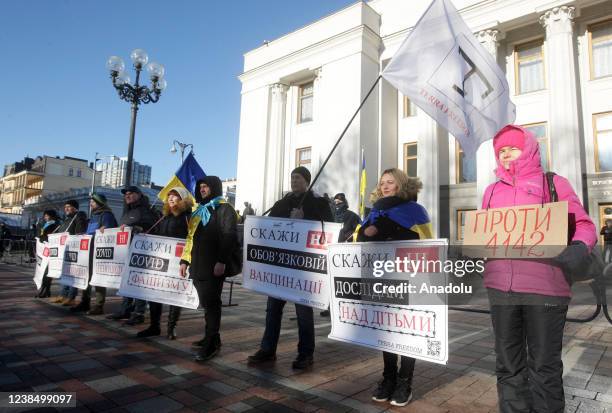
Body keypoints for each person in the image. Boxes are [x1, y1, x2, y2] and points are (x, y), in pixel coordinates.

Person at [482, 125, 596, 413]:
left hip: (545, 288)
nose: (507, 154)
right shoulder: (491, 190)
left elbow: (584, 225)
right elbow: (485, 233)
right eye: (502, 150)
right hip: (500, 290)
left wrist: (580, 247)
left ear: (529, 148)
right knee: (507, 366)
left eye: (513, 148)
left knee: (544, 367)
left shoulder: (553, 183)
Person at [358, 168, 433, 407]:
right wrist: (368, 231)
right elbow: (360, 240)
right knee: (388, 329)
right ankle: (388, 377)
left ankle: (404, 381)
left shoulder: (415, 209)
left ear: (400, 184)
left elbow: (426, 241)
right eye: (382, 183)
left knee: (407, 329)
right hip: (381, 277)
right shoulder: (375, 211)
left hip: (410, 277)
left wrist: (388, 228)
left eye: (390, 182)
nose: (385, 186)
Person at [248, 166, 334, 369]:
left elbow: (329, 228)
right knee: (272, 310)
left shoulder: (319, 202)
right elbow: (269, 226)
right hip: (280, 266)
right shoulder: (282, 202)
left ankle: (305, 353)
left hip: (303, 267)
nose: (294, 181)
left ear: (307, 181)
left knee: (304, 313)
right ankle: (267, 350)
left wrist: (305, 220)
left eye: (298, 178)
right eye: (292, 177)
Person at [179, 176, 239, 361]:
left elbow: (229, 236)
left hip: (214, 265)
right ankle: (212, 336)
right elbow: (190, 238)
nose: (203, 189)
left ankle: (211, 343)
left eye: (206, 186)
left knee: (212, 303)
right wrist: (184, 261)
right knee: (205, 302)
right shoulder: (198, 211)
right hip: (198, 264)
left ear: (215, 188)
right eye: (201, 186)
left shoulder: (224, 208)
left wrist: (221, 261)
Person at [138, 187, 193, 339]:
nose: (170, 198)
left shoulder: (188, 217)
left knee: (175, 294)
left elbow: (192, 238)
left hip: (178, 262)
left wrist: (186, 259)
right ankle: (154, 326)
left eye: (174, 196)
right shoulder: (164, 217)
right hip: (161, 261)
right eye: (169, 196)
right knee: (156, 293)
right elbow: (157, 234)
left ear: (182, 200)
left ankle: (171, 327)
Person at [107, 186, 157, 325]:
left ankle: (139, 313)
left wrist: (139, 229)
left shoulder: (146, 210)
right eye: (126, 194)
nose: (127, 196)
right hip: (126, 252)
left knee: (139, 283)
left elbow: (154, 228)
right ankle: (125, 309)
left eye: (131, 193)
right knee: (127, 281)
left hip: (141, 253)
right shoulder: (127, 211)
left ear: (139, 195)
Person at [70, 193, 118, 315]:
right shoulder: (93, 216)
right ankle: (84, 302)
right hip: (88, 252)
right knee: (86, 277)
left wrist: (105, 230)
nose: (90, 204)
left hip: (98, 253)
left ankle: (98, 305)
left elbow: (111, 232)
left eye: (93, 202)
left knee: (98, 279)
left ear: (99, 202)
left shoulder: (107, 215)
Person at [320, 192, 361, 317]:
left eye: (340, 202)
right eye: (335, 202)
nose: (337, 204)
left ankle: (346, 308)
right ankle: (329, 307)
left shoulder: (352, 216)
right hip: (329, 251)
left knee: (343, 282)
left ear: (344, 203)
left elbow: (358, 231)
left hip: (344, 253)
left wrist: (350, 239)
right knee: (330, 281)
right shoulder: (329, 215)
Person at [51, 200, 88, 306]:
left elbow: (80, 232)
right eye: (65, 207)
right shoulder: (67, 219)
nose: (66, 208)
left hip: (74, 250)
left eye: (69, 206)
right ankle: (62, 295)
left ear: (75, 208)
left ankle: (71, 297)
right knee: (65, 273)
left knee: (73, 274)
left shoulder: (79, 216)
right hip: (65, 250)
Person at [35, 210, 61, 298]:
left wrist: (44, 238)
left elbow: (51, 237)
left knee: (47, 271)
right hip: (44, 250)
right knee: (43, 271)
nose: (45, 217)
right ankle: (45, 290)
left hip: (50, 250)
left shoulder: (55, 225)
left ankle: (45, 290)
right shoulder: (45, 224)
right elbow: (41, 234)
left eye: (47, 216)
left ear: (52, 216)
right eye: (45, 216)